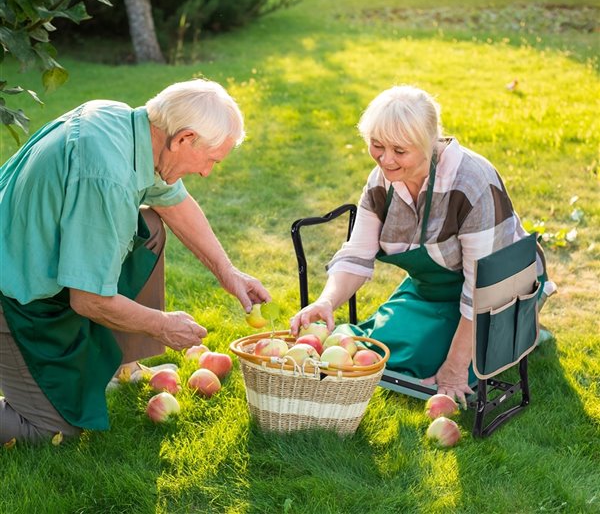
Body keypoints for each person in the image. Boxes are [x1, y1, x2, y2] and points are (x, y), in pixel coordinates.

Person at [0, 79, 270, 443]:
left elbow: (175, 203)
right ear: (184, 139)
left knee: (150, 228)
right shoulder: (108, 177)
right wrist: (161, 324)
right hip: (14, 291)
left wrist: (228, 271)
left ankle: (119, 367)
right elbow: (89, 299)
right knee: (52, 430)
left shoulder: (126, 125)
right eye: (210, 160)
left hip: (27, 250)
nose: (207, 172)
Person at [290, 85, 552, 407]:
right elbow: (356, 255)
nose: (385, 160)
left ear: (430, 143)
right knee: (379, 350)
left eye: (399, 151)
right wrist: (326, 302)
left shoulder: (471, 183)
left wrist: (455, 368)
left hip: (498, 290)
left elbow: (483, 287)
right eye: (377, 145)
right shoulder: (380, 182)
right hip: (432, 289)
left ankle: (527, 318)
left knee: (437, 364)